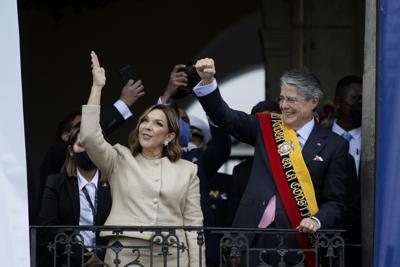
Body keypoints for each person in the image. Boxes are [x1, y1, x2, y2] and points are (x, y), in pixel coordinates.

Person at [193, 58, 352, 266]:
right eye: (282, 99)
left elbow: (337, 201)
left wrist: (316, 220)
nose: (284, 106)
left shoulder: (334, 145)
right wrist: (208, 83)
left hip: (299, 242)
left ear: (313, 101)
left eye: (291, 100)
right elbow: (227, 117)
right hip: (251, 237)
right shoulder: (266, 128)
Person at [80, 52, 204, 266]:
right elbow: (89, 137)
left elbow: (194, 225)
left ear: (169, 137)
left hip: (173, 257)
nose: (147, 127)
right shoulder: (119, 159)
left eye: (158, 124)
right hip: (126, 254)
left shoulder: (187, 170)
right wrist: (97, 87)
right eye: (145, 121)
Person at [160, 64, 231, 266]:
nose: (180, 123)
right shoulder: (153, 153)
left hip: (200, 249)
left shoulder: (198, 157)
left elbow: (222, 147)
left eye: (184, 120)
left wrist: (208, 95)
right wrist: (167, 94)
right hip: (160, 247)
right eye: (174, 118)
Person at [38, 78, 143, 211]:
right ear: (66, 137)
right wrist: (123, 103)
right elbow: (90, 134)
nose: (86, 128)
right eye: (81, 126)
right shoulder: (56, 152)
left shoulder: (109, 182)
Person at [39, 128, 113, 267]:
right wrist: (82, 256)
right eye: (81, 145)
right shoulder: (55, 183)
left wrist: (101, 255)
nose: (88, 150)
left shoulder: (114, 184)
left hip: (107, 261)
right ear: (71, 150)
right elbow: (48, 226)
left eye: (93, 146)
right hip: (68, 261)